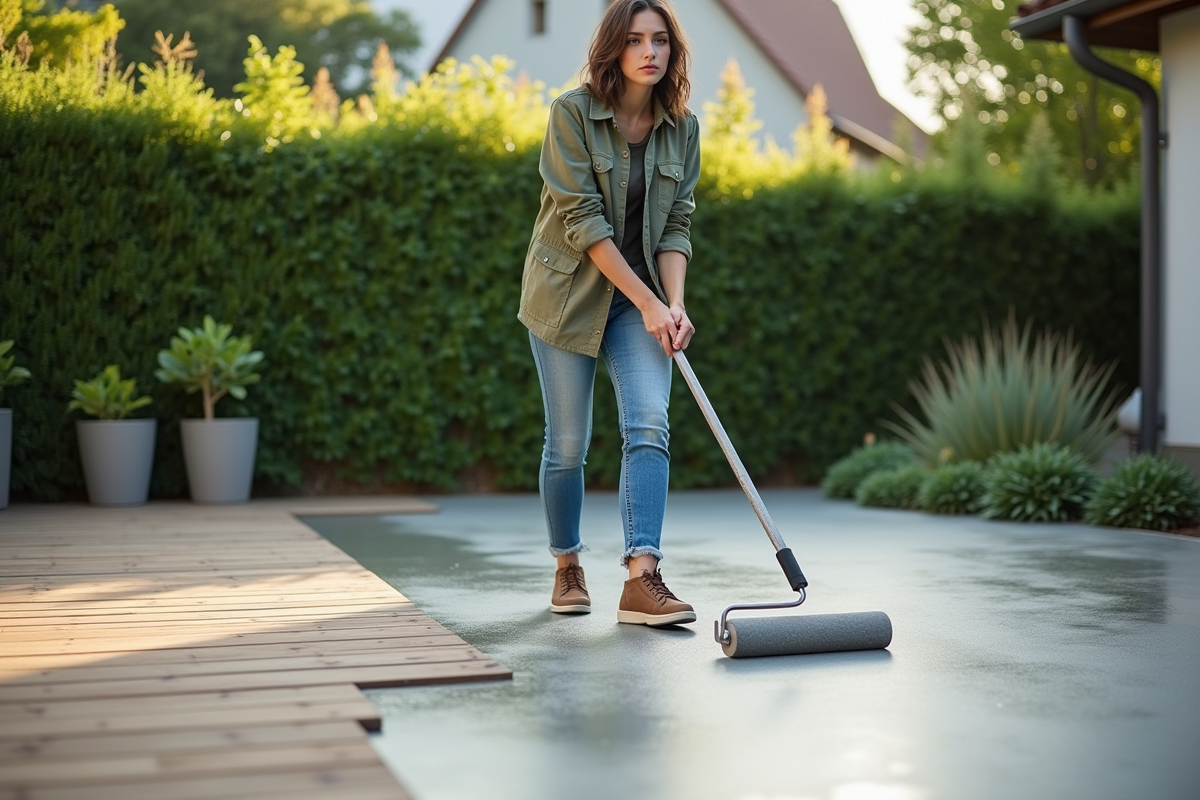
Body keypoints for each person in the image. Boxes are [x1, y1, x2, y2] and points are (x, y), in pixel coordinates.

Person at [517, 0, 700, 627]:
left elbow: (677, 223)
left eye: (661, 42)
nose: (650, 52)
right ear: (613, 50)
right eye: (635, 41)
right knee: (567, 445)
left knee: (649, 423)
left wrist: (671, 304)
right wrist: (650, 301)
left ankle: (641, 579)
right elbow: (584, 222)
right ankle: (567, 564)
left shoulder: (682, 127)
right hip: (567, 295)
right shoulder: (570, 114)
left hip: (644, 300)